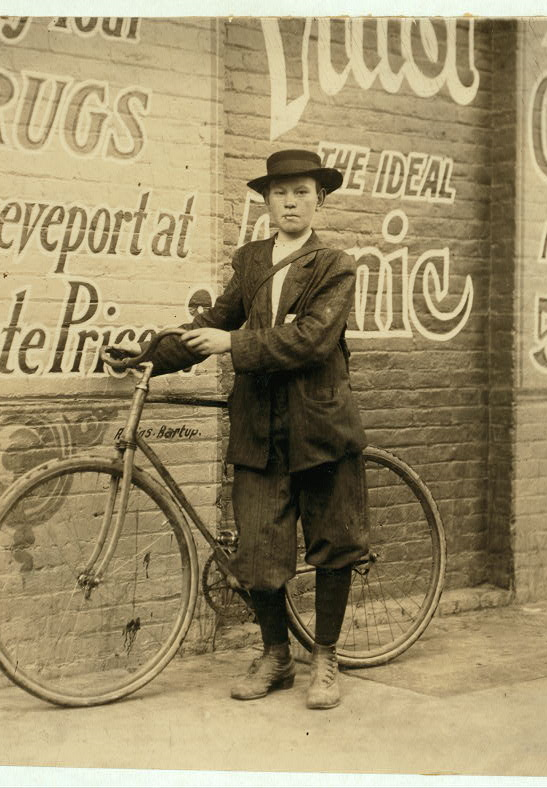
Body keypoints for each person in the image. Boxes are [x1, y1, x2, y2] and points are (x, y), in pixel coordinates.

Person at [123, 149, 369, 710]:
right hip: (260, 429)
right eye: (280, 192)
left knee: (333, 544)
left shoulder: (335, 263)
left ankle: (325, 657)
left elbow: (311, 340)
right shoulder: (252, 260)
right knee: (258, 550)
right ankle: (276, 656)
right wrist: (147, 356)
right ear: (265, 201)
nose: (291, 202)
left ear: (319, 199)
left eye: (302, 192)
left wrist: (233, 345)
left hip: (320, 426)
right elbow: (212, 324)